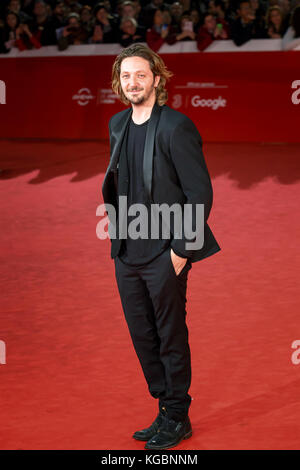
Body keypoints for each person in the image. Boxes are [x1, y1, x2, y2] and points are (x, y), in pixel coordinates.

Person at [101, 43, 221, 450]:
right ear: (120, 83)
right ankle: (166, 408)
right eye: (126, 76)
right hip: (127, 251)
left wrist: (181, 252)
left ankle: (178, 414)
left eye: (140, 74)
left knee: (170, 334)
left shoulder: (176, 126)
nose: (133, 82)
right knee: (142, 334)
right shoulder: (118, 123)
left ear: (156, 78)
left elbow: (199, 194)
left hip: (165, 251)